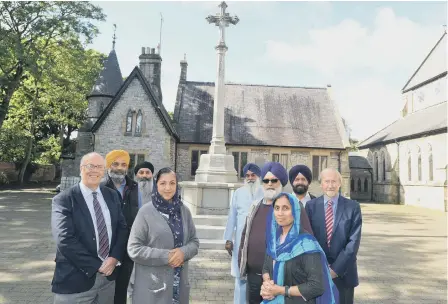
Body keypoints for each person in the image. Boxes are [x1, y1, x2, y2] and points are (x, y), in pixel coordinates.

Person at [51, 152, 128, 303]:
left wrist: (114, 258)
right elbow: (64, 240)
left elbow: (122, 228)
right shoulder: (64, 199)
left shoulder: (112, 195)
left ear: (104, 170)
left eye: (99, 167)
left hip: (108, 280)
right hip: (75, 281)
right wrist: (98, 265)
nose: (95, 170)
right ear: (81, 168)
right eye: (90, 166)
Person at [238, 162, 314, 304]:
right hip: (254, 277)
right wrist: (241, 264)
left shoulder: (295, 207)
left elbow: (308, 241)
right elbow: (245, 237)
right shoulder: (255, 206)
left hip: (282, 280)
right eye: (266, 180)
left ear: (282, 182)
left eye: (274, 180)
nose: (270, 184)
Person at [127, 167, 200, 304]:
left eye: (172, 183)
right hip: (153, 287)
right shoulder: (145, 212)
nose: (168, 188)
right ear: (156, 185)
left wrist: (183, 253)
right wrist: (167, 256)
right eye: (163, 183)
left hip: (178, 285)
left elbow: (194, 242)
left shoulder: (184, 211)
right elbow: (134, 249)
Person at [260, 193, 339, 304]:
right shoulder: (274, 240)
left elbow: (317, 286)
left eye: (286, 208)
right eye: (277, 208)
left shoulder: (306, 244)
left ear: (296, 211)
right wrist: (267, 285)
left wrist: (281, 290)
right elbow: (266, 267)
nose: (280, 213)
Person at [306, 168, 362, 304]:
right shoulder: (311, 206)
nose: (330, 185)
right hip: (318, 273)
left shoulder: (352, 207)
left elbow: (353, 242)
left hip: (344, 273)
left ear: (340, 184)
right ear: (321, 184)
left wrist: (336, 269)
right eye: (327, 181)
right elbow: (308, 238)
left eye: (334, 181)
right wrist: (321, 267)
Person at [102, 150, 139, 304]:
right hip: (106, 250)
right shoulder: (100, 187)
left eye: (124, 164)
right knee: (104, 292)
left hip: (128, 249)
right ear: (108, 165)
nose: (119, 168)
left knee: (122, 293)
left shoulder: (135, 187)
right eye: (115, 164)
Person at [223, 163, 263, 304]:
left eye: (253, 175)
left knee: (259, 279)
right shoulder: (238, 193)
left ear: (259, 176)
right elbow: (232, 217)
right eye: (247, 175)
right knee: (240, 279)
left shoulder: (265, 193)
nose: (250, 178)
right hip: (240, 242)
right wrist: (228, 239)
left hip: (259, 244)